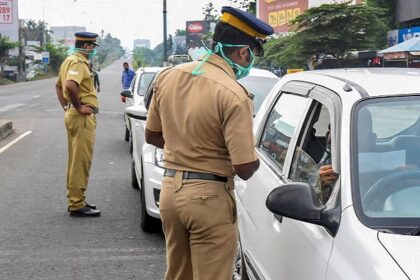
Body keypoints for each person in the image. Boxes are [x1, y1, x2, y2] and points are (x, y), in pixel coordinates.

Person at [145, 6, 273, 280]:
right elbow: (244, 167)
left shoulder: (168, 77)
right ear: (242, 52)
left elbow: (152, 135)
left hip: (170, 192)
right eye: (252, 55)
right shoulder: (235, 94)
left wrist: (186, 147)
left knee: (179, 274)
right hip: (208, 199)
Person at [55, 32, 101, 217]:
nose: (93, 50)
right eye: (93, 46)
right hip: (81, 118)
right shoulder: (78, 63)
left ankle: (76, 199)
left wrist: (66, 107)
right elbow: (70, 86)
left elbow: (58, 86)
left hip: (74, 115)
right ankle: (76, 204)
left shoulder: (68, 60)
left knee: (76, 160)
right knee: (80, 161)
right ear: (88, 46)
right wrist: (78, 107)